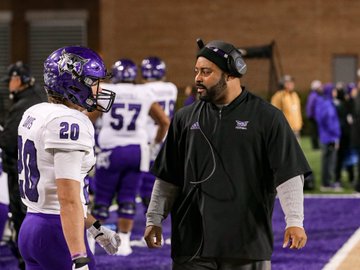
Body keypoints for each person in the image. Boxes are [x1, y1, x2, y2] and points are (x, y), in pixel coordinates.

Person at [144, 39, 311, 270]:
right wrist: (154, 218)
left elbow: (288, 173)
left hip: (246, 245)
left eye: (206, 72)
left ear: (232, 74)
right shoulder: (184, 118)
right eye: (196, 71)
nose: (197, 79)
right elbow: (168, 176)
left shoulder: (267, 118)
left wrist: (294, 221)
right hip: (192, 246)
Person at [17, 46, 121, 270]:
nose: (98, 89)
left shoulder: (35, 112)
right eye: (93, 82)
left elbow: (53, 191)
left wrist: (94, 227)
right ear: (74, 84)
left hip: (31, 227)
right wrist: (79, 257)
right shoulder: (69, 122)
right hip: (57, 233)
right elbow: (68, 199)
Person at [88, 58, 170, 256]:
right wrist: (155, 144)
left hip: (111, 149)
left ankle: (93, 241)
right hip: (137, 149)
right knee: (127, 197)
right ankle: (124, 242)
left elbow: (88, 119)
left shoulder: (106, 90)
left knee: (102, 199)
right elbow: (164, 121)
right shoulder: (144, 92)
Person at [0, 61, 47, 269]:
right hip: (35, 172)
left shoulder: (23, 105)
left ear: (18, 79)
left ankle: (27, 260)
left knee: (23, 218)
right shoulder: (35, 99)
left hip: (23, 173)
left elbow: (8, 142)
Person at [139, 56, 177, 211]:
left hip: (149, 136)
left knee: (147, 182)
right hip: (167, 136)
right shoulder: (172, 87)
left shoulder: (144, 90)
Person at [314, 83, 341, 191]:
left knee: (326, 160)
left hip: (325, 135)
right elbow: (329, 121)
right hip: (330, 137)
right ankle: (328, 183)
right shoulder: (327, 104)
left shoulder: (323, 102)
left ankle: (326, 183)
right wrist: (336, 135)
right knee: (330, 161)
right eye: (334, 91)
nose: (335, 92)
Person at [271, 74, 303, 140]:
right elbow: (273, 113)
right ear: (283, 84)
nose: (291, 84)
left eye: (292, 82)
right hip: (285, 129)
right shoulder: (278, 96)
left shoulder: (295, 95)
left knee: (297, 149)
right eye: (288, 82)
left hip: (296, 128)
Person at [305, 80, 322, 150]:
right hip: (313, 116)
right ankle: (315, 146)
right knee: (314, 132)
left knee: (315, 131)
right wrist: (312, 115)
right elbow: (311, 107)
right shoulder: (314, 95)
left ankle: (316, 146)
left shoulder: (313, 95)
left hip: (313, 116)